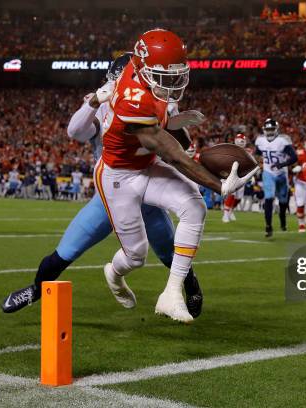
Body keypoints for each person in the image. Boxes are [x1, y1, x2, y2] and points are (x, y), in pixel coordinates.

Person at [1, 50, 211, 320]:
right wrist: (92, 103)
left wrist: (178, 124)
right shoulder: (103, 106)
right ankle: (35, 290)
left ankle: (189, 286)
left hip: (145, 186)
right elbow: (75, 131)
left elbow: (177, 140)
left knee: (171, 251)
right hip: (110, 191)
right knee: (65, 252)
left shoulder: (153, 102)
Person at [94, 29, 256, 323]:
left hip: (144, 165)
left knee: (194, 206)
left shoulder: (144, 72)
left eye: (176, 74)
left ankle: (171, 293)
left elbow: (163, 126)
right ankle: (114, 275)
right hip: (118, 176)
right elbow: (172, 153)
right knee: (136, 256)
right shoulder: (133, 97)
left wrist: (176, 120)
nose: (171, 82)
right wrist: (218, 184)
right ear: (143, 68)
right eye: (163, 75)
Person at [254, 118, 297, 237]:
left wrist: (281, 164)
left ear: (276, 129)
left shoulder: (283, 140)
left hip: (282, 174)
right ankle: (268, 226)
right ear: (264, 130)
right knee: (269, 198)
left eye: (272, 129)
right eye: (268, 129)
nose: (270, 131)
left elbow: (294, 157)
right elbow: (257, 153)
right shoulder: (260, 140)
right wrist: (258, 161)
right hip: (268, 173)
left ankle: (283, 222)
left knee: (283, 202)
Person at [222, 133, 249, 223]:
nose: (241, 142)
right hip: (231, 175)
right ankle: (225, 214)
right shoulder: (231, 150)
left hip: (242, 175)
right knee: (231, 194)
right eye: (239, 140)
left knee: (239, 198)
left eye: (242, 141)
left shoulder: (248, 152)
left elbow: (250, 165)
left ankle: (231, 211)